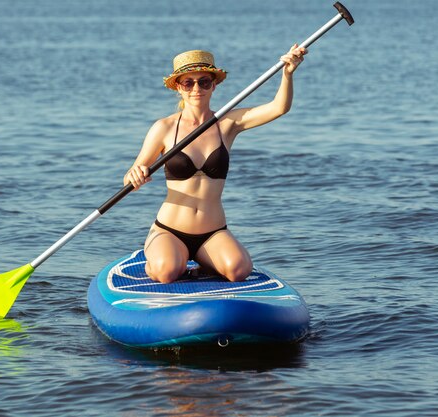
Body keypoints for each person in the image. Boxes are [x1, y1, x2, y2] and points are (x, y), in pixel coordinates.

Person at [124, 45, 307, 284]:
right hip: (169, 229)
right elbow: (131, 175)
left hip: (213, 231)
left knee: (239, 271)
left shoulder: (228, 124)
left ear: (214, 84)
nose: (196, 88)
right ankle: (163, 258)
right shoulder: (164, 127)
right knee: (166, 272)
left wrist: (288, 73)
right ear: (178, 88)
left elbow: (278, 108)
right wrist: (135, 175)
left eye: (204, 81)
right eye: (188, 83)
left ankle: (201, 264)